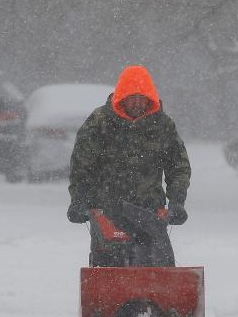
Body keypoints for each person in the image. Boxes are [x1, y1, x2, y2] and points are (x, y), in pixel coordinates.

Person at [67, 65, 191, 267]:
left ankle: (155, 298)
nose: (137, 103)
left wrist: (177, 201)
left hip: (150, 211)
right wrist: (79, 200)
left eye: (142, 99)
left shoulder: (162, 125)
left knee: (158, 267)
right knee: (108, 269)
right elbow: (82, 166)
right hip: (108, 212)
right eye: (132, 98)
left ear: (150, 99)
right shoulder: (100, 122)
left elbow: (178, 166)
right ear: (121, 98)